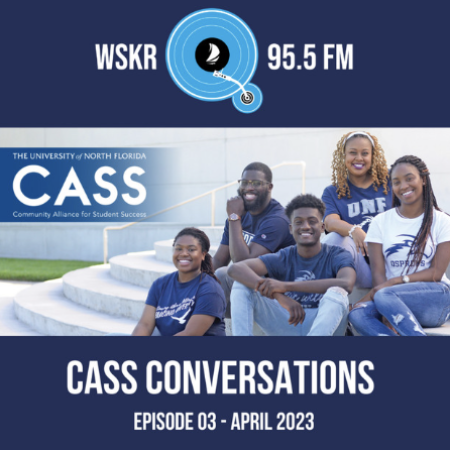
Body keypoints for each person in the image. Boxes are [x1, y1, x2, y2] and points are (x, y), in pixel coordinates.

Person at [227, 194, 356, 336]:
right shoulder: (284, 256)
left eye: (312, 221)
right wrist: (279, 296)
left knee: (337, 292)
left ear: (322, 227)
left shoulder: (337, 254)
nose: (305, 226)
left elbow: (347, 283)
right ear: (290, 228)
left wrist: (286, 287)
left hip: (326, 327)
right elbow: (235, 268)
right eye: (299, 222)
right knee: (241, 285)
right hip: (289, 321)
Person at [349, 155, 450, 336]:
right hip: (390, 299)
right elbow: (379, 274)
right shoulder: (380, 222)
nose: (403, 186)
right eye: (396, 182)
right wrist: (381, 302)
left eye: (409, 178)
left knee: (385, 294)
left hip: (436, 299)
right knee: (358, 314)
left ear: (423, 180)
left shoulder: (442, 221)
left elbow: (436, 273)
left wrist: (395, 282)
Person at [213, 162, 295, 317]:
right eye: (245, 182)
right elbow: (218, 260)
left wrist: (234, 217)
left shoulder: (277, 220)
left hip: (279, 295)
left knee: (224, 275)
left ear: (269, 187)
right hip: (251, 289)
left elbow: (243, 265)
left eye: (256, 183)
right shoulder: (239, 215)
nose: (249, 187)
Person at [322, 131, 392, 288]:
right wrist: (354, 230)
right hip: (363, 267)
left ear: (373, 156)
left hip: (394, 263)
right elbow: (330, 222)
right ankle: (332, 298)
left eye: (365, 153)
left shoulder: (390, 182)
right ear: (343, 156)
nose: (359, 158)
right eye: (353, 153)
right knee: (334, 238)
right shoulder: (333, 191)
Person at [132, 227, 226, 336]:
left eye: (191, 249)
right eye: (179, 248)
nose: (184, 253)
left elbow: (190, 334)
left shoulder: (210, 290)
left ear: (203, 254)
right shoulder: (160, 285)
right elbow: (145, 325)